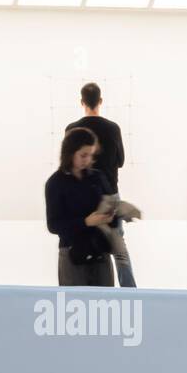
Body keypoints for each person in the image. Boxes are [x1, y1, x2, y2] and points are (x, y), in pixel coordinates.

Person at [66, 83, 136, 287]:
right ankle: (129, 290)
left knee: (84, 240)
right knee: (118, 246)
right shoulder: (113, 128)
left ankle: (85, 289)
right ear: (100, 101)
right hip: (109, 194)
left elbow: (68, 163)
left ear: (81, 102)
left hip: (81, 194)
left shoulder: (72, 129)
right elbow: (120, 161)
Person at [45, 127, 116, 286]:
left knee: (106, 307)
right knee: (74, 306)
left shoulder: (97, 177)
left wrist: (113, 215)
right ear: (70, 152)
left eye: (91, 155)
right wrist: (85, 222)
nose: (88, 159)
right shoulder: (55, 183)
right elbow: (53, 225)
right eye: (83, 155)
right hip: (72, 254)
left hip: (100, 252)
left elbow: (111, 210)